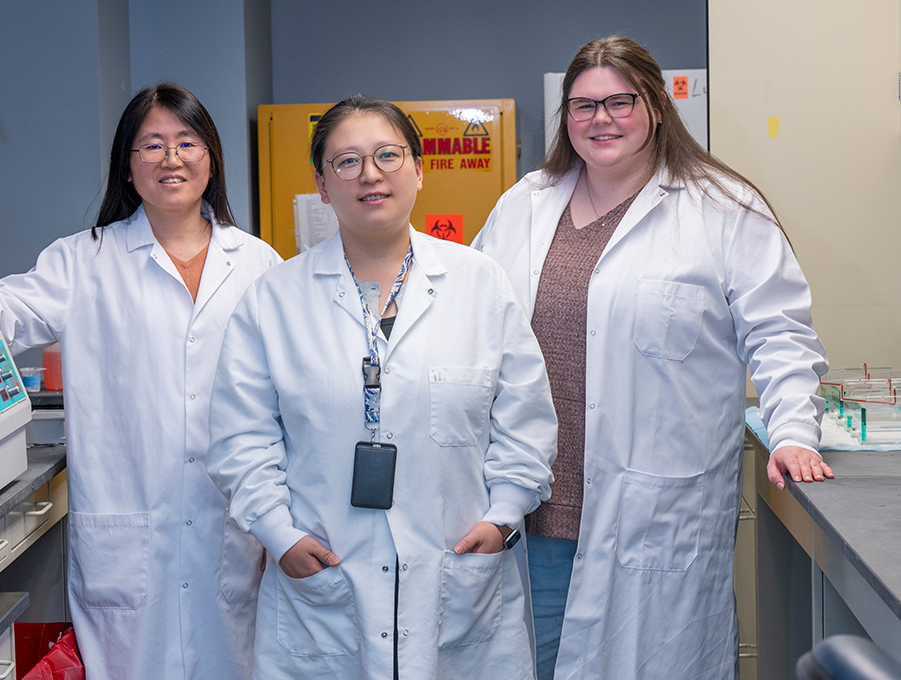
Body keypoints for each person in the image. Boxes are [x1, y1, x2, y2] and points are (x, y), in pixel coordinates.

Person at [472, 36, 832, 680]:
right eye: (582, 105)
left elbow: (779, 334)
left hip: (655, 512)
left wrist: (793, 432)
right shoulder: (524, 204)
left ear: (657, 107)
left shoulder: (722, 207)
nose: (600, 118)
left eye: (619, 101)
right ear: (565, 117)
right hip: (532, 514)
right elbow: (471, 330)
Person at [0, 83, 281, 680]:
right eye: (152, 145)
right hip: (126, 530)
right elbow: (7, 310)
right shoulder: (83, 259)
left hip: (231, 529)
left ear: (210, 158)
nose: (172, 158)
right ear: (128, 166)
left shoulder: (259, 263)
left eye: (187, 142)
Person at [206, 94, 557, 680]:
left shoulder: (479, 284)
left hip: (456, 570)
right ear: (322, 184)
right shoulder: (275, 300)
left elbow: (525, 421)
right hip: (324, 573)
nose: (370, 174)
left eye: (388, 155)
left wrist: (503, 518)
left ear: (419, 169)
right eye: (346, 161)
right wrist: (277, 532)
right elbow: (240, 436)